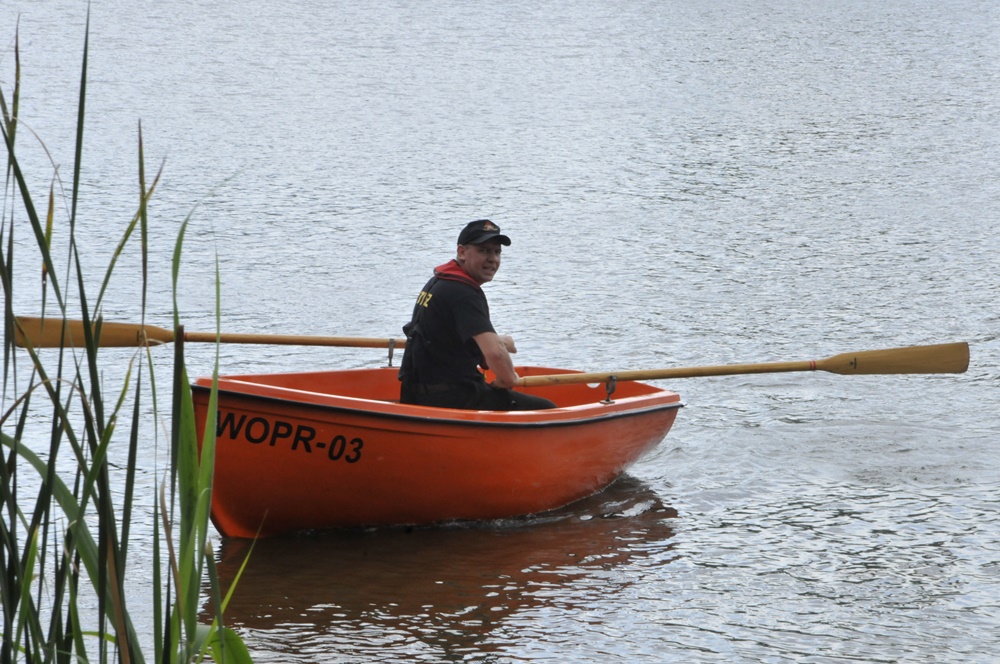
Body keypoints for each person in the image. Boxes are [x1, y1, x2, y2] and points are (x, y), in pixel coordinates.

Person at [398, 219, 556, 411]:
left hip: (417, 394)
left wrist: (501, 341)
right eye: (484, 250)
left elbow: (449, 339)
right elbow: (494, 353)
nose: (492, 259)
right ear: (462, 252)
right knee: (546, 409)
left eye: (497, 252)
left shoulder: (439, 282)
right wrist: (509, 378)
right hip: (449, 398)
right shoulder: (463, 293)